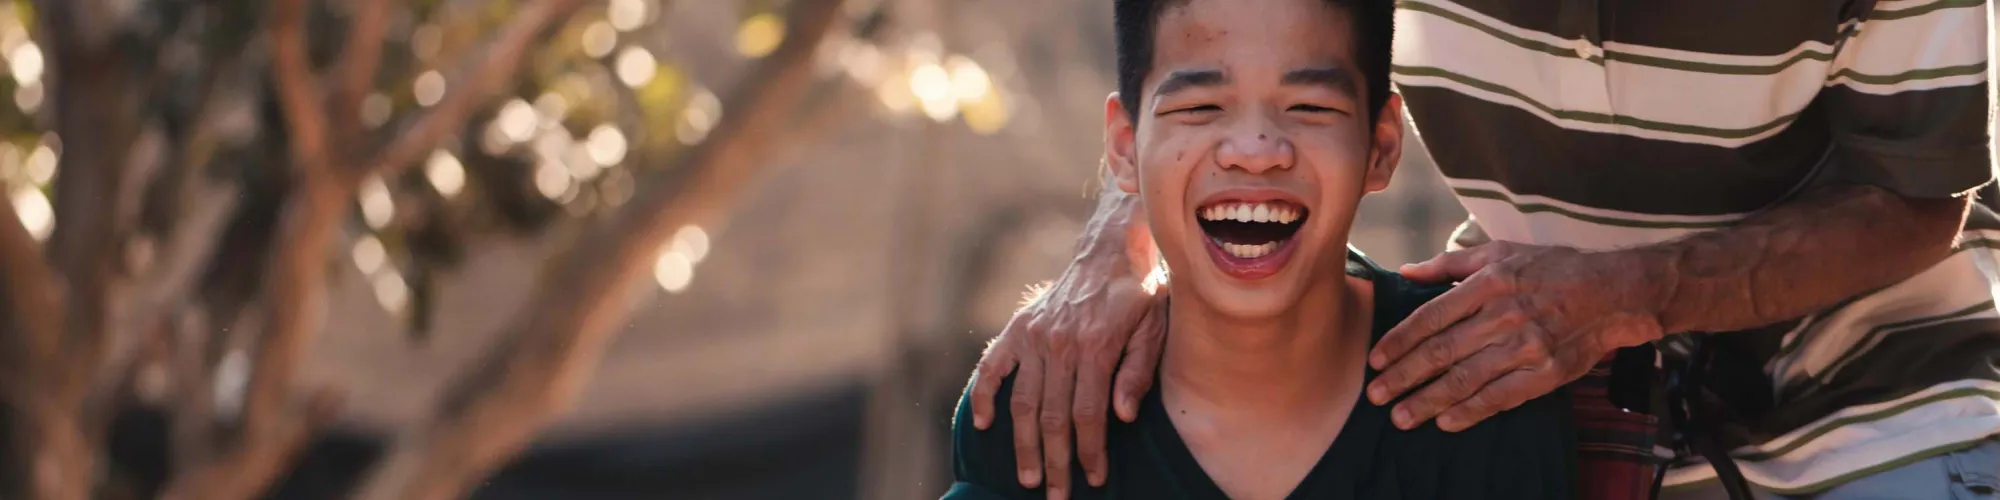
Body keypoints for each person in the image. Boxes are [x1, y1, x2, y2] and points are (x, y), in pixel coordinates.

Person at [969, 0, 1998, 499]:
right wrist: (1117, 236)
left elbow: (1913, 194)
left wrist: (1626, 292)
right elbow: (1210, 52)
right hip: (1529, 377)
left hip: (1875, 388)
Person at [945, 0, 1578, 498]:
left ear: (1382, 145)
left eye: (1308, 104)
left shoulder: (1481, 394)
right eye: (1200, 107)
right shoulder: (1040, 412)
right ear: (1122, 148)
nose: (1254, 149)